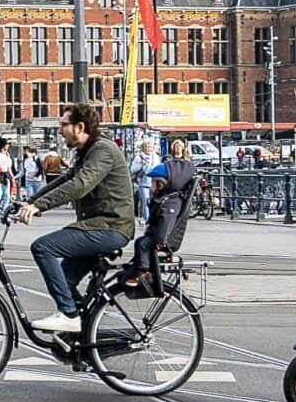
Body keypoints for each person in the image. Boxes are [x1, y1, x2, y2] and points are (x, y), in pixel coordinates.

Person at [19, 104, 135, 334]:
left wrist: (38, 206)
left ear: (80, 127)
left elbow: (80, 184)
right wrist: (29, 201)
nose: (60, 130)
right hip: (98, 226)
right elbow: (64, 180)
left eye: (64, 125)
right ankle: (84, 335)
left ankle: (69, 315)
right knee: (65, 280)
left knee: (43, 247)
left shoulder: (103, 150)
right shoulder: (87, 152)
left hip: (110, 227)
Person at [125, 152, 196, 290]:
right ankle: (137, 266)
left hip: (162, 238)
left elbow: (166, 221)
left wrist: (160, 240)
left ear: (161, 184)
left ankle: (143, 271)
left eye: (153, 183)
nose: (151, 186)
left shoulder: (171, 202)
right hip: (158, 235)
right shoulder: (167, 198)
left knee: (143, 245)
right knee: (140, 243)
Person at [131, 139, 160, 223]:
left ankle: (152, 218)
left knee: (153, 202)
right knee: (146, 202)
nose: (148, 148)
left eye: (150, 147)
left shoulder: (155, 157)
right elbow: (132, 169)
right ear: (143, 148)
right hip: (143, 183)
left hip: (154, 182)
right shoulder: (139, 157)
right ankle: (148, 220)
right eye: (146, 147)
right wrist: (140, 164)